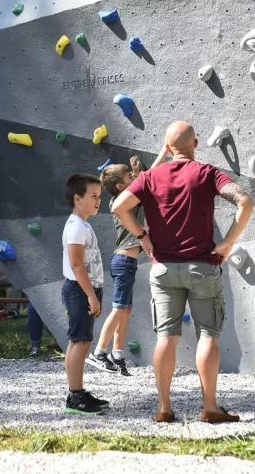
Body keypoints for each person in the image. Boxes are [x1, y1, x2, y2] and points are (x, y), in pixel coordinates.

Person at [112, 121, 253, 424]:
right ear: (196, 144)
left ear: (166, 147)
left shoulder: (149, 177)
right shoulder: (207, 173)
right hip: (203, 266)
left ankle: (164, 408)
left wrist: (142, 236)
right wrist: (228, 242)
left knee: (166, 338)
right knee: (208, 336)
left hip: (162, 268)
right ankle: (210, 406)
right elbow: (245, 201)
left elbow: (119, 207)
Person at [89, 152, 167, 376]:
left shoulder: (123, 197)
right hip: (123, 261)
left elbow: (142, 179)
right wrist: (164, 151)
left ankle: (118, 354)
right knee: (119, 309)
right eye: (129, 178)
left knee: (125, 309)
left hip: (126, 262)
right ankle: (100, 352)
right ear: (122, 186)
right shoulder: (124, 202)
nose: (134, 180)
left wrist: (135, 172)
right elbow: (149, 177)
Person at [62, 173, 110, 415]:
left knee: (77, 340)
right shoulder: (76, 228)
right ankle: (75, 396)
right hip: (80, 291)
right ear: (77, 198)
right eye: (93, 196)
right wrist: (91, 295)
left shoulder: (83, 225)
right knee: (81, 341)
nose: (98, 201)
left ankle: (76, 391)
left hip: (82, 290)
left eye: (99, 197)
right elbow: (77, 264)